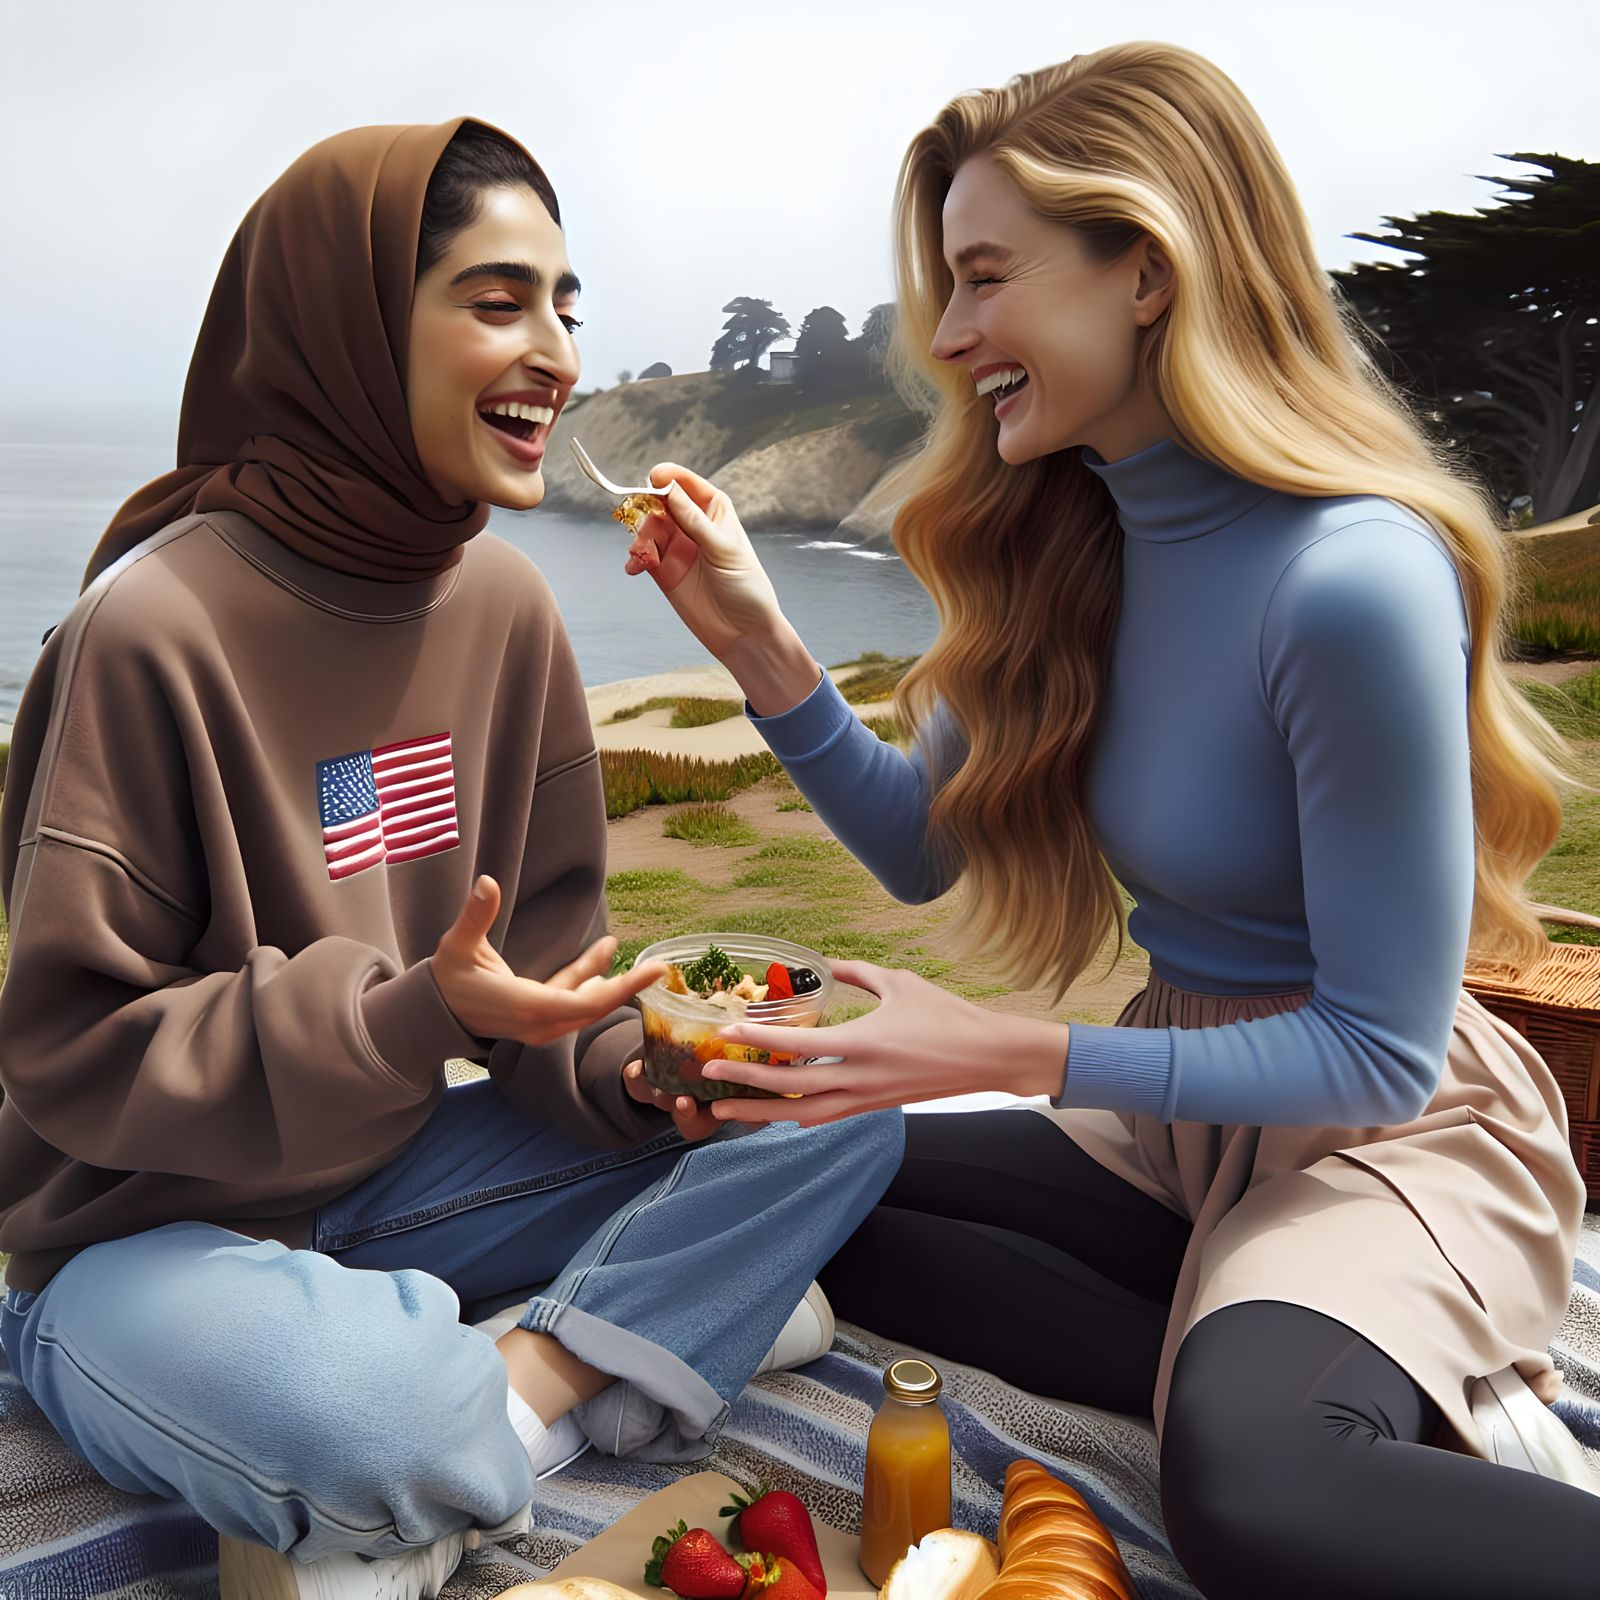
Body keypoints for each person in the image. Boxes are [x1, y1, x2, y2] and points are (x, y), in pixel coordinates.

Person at [620, 43, 1596, 1599]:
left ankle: (1308, 1375)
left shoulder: (1351, 578)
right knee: (790, 1179)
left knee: (1252, 1493)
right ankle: (1306, 1352)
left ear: (1144, 269)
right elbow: (920, 845)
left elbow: (1378, 1053)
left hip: (1391, 1135)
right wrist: (758, 646)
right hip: (1179, 1125)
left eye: (987, 277)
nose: (949, 336)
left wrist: (1005, 1049)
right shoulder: (1065, 547)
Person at [0, 118, 902, 1600]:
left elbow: (543, 966)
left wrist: (629, 1069)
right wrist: (410, 1013)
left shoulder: (506, 608)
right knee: (370, 1412)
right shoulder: (149, 630)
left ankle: (514, 1394)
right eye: (497, 302)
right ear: (351, 330)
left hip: (401, 1170)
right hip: (143, 1233)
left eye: (565, 307)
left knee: (846, 1110)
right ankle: (585, 1365)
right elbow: (69, 1054)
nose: (553, 349)